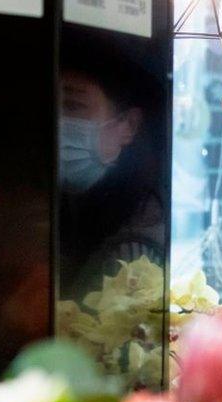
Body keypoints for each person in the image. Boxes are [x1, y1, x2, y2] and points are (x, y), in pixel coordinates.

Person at [57, 32, 166, 300]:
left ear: (128, 126)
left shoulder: (134, 253)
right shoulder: (60, 206)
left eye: (73, 105)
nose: (58, 120)